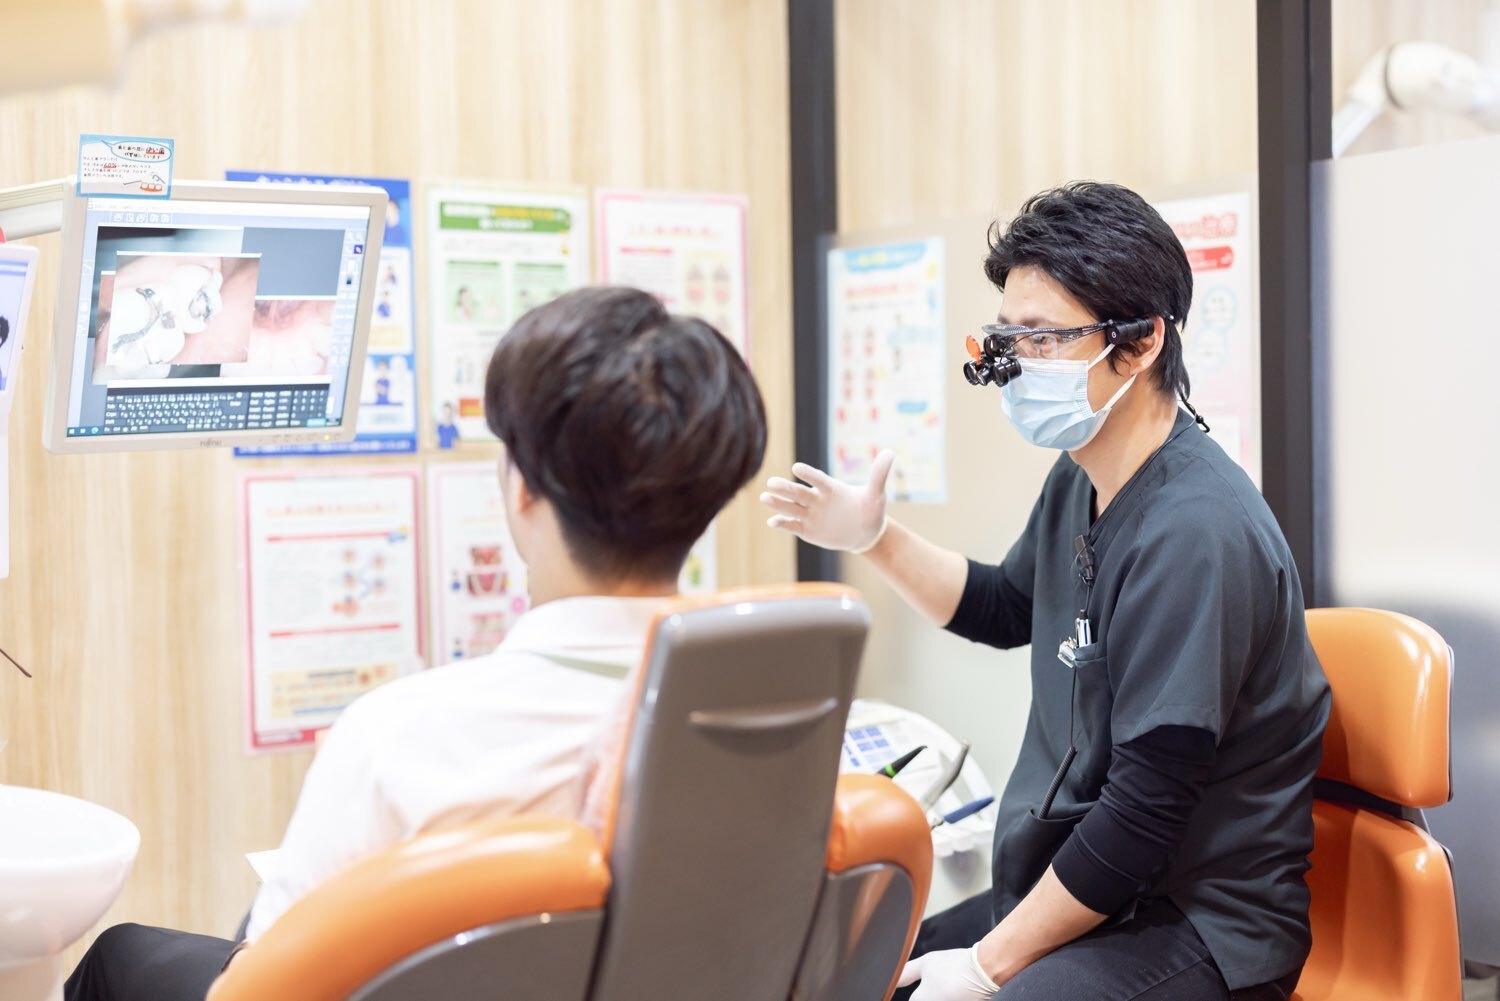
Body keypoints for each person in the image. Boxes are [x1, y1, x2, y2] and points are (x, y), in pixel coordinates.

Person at [65, 286, 767, 1001]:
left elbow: (258, 987)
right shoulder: (768, 727)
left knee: (124, 956)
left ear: (521, 487)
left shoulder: (400, 739)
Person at [762, 182, 1330, 1001]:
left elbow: (1145, 813)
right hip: (1093, 888)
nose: (1013, 366)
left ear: (1138, 345)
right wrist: (874, 538)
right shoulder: (1083, 478)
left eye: (1042, 339)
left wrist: (989, 964)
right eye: (1007, 338)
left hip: (1196, 924)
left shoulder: (1196, 533)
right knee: (851, 968)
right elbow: (1005, 607)